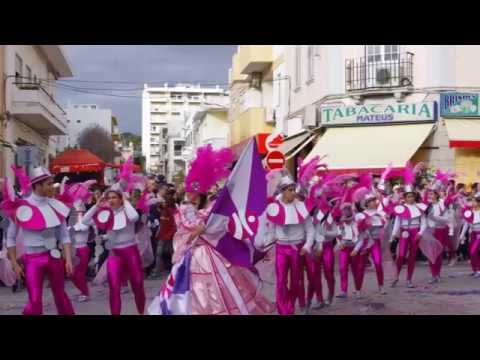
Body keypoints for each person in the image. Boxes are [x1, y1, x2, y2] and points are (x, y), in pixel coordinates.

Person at [149, 144, 274, 315]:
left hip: (215, 254)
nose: (190, 194)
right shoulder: (184, 211)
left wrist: (207, 227)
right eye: (189, 191)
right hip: (193, 258)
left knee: (225, 289)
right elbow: (183, 234)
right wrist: (194, 233)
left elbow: (221, 227)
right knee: (195, 294)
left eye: (195, 191)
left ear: (201, 193)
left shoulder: (213, 209)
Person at [3, 167, 75, 315]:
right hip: (33, 260)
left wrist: (68, 259)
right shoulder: (21, 207)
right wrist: (15, 264)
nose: (52, 187)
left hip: (54, 256)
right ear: (37, 185)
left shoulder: (57, 205)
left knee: (61, 296)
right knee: (35, 301)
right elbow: (10, 237)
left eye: (52, 183)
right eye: (48, 184)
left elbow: (64, 235)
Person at [82, 186, 145, 315]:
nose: (111, 200)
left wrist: (125, 200)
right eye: (109, 198)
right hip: (114, 253)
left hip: (131, 252)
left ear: (120, 199)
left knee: (137, 284)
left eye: (114, 197)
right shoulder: (105, 214)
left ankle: (141, 311)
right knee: (114, 287)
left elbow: (134, 218)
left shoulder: (128, 211)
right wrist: (97, 206)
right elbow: (85, 220)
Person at [263, 175, 316, 315]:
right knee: (280, 281)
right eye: (290, 190)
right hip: (281, 249)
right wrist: (264, 244)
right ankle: (283, 310)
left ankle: (291, 306)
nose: (293, 192)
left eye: (294, 189)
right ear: (283, 191)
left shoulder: (301, 206)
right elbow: (271, 231)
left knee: (296, 281)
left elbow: (310, 229)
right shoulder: (274, 207)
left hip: (297, 250)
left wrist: (306, 246)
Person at [460, 192, 480, 277]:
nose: (473, 203)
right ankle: (475, 270)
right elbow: (466, 224)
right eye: (472, 201)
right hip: (472, 234)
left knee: (473, 252)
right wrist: (462, 235)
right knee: (471, 252)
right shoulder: (470, 212)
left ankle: (478, 270)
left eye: (474, 201)